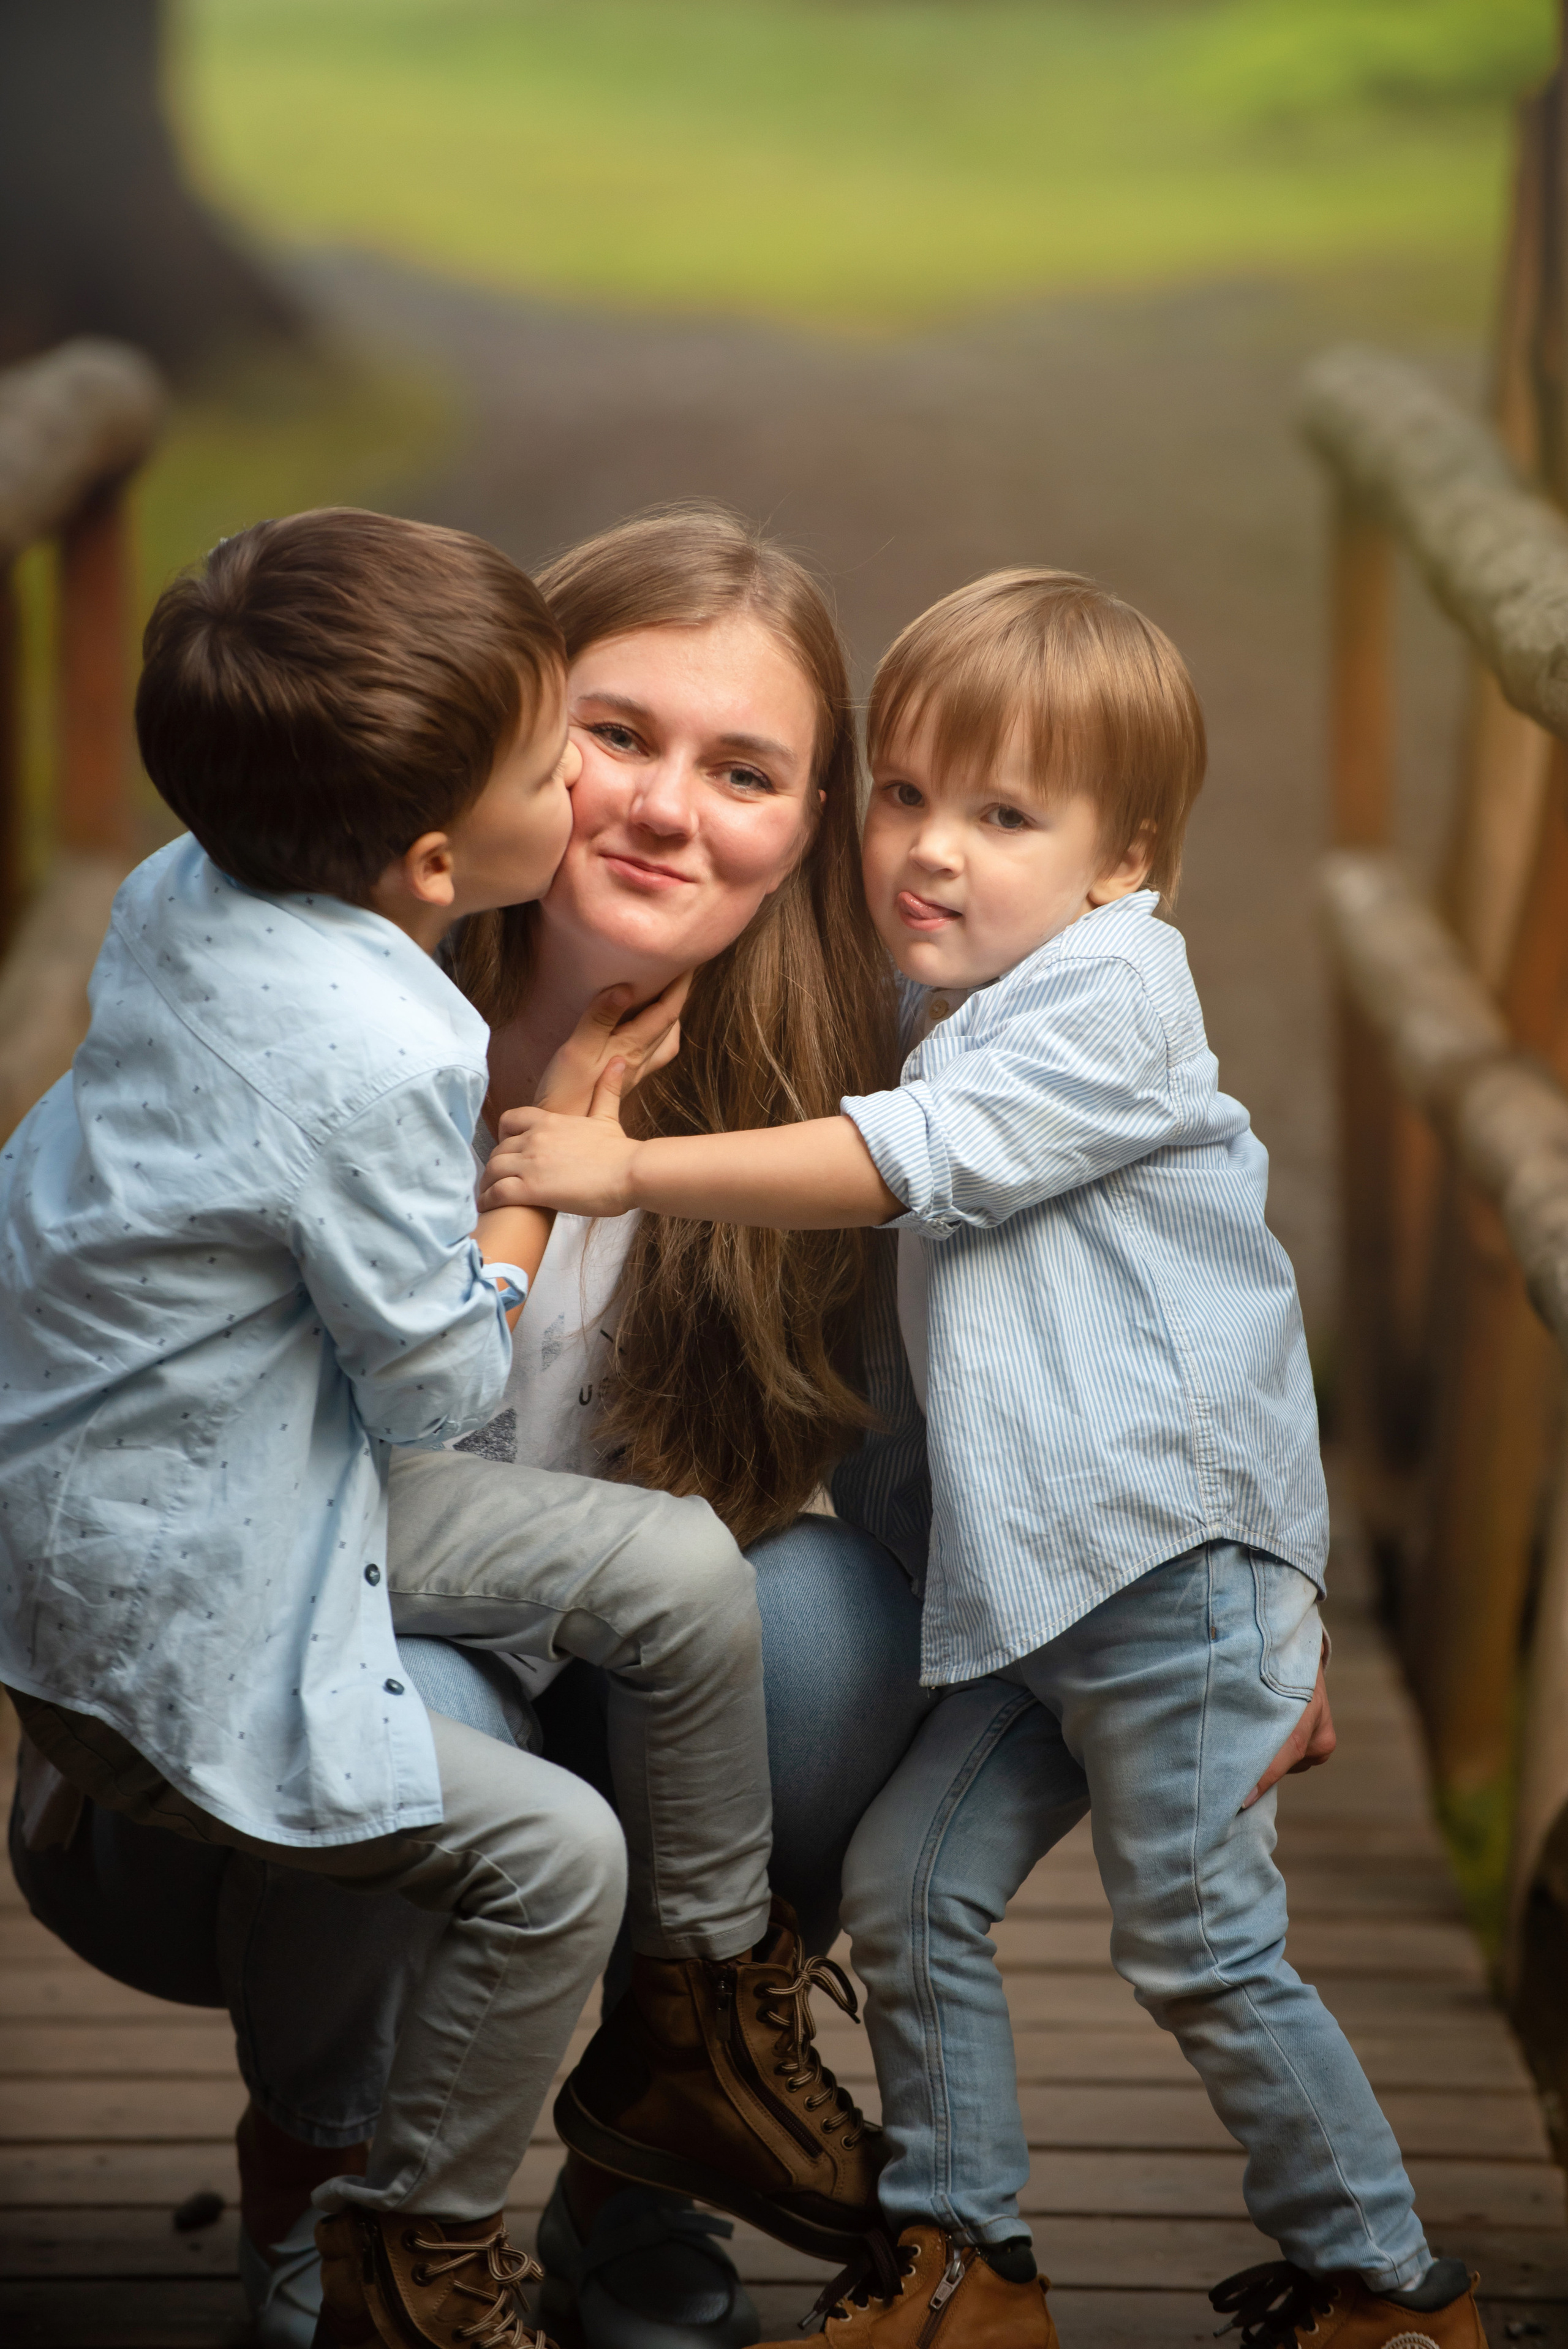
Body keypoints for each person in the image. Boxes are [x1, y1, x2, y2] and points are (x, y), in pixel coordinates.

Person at [491, 570, 1490, 2349]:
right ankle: (968, 2263)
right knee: (908, 1886)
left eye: (1004, 814)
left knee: (1197, 1942)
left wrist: (622, 1168)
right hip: (1033, 1602)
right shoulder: (938, 1000)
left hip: (1168, 1582)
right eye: (904, 794)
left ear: (1127, 862)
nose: (930, 850)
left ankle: (1389, 2286)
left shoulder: (1114, 1000)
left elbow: (915, 1160)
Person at [7, 507, 934, 2349]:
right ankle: (332, 2204)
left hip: (588, 1672)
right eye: (609, 736)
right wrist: (529, 1172)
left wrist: (1217, 1621)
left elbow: (959, 1445)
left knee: (832, 1618)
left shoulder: (838, 1093)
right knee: (414, 1697)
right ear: (469, 763)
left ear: (809, 827)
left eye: (743, 770)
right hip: (226, 1733)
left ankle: (649, 2167)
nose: (666, 808)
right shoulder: (317, 1007)